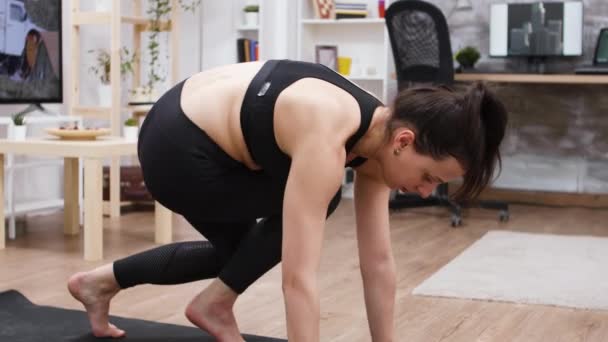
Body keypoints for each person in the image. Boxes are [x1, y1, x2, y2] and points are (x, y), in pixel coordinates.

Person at [67, 59, 508, 342]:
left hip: (207, 145)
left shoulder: (380, 136)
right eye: (429, 177)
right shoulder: (329, 133)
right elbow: (298, 280)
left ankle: (101, 283)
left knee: (236, 257)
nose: (427, 192)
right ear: (404, 141)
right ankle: (214, 304)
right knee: (321, 198)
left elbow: (378, 264)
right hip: (178, 148)